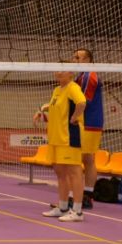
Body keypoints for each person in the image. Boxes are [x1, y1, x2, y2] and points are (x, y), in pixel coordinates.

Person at [34, 67, 86, 222]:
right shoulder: (57, 90)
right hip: (55, 138)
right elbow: (55, 108)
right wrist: (42, 111)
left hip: (69, 137)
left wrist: (74, 118)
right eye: (57, 70)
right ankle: (63, 207)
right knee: (60, 173)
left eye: (63, 70)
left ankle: (77, 211)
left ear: (71, 73)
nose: (58, 72)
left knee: (74, 172)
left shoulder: (73, 88)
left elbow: (81, 103)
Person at [73, 48, 103, 210]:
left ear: (87, 60)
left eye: (78, 57)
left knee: (86, 159)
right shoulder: (80, 76)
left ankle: (86, 196)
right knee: (84, 159)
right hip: (84, 122)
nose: (74, 60)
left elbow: (83, 101)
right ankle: (81, 195)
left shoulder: (88, 76)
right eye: (74, 57)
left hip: (90, 122)